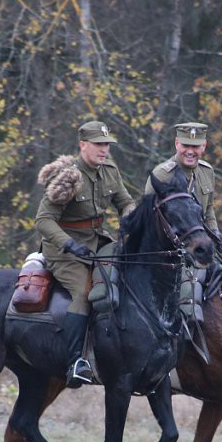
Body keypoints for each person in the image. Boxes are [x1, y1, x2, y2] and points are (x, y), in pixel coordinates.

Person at [35, 120, 135, 388]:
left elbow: (125, 202)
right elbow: (43, 221)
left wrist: (131, 219)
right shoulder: (68, 177)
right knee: (84, 292)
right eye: (99, 145)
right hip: (64, 250)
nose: (104, 150)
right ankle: (75, 363)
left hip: (99, 242)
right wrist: (69, 244)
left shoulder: (110, 171)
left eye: (107, 145)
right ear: (83, 145)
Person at [144, 122, 222, 246]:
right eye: (185, 145)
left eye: (195, 146)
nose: (190, 151)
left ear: (204, 146)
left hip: (200, 243)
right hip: (167, 250)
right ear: (176, 144)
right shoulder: (161, 175)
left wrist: (214, 231)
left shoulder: (207, 171)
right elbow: (147, 218)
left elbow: (208, 209)